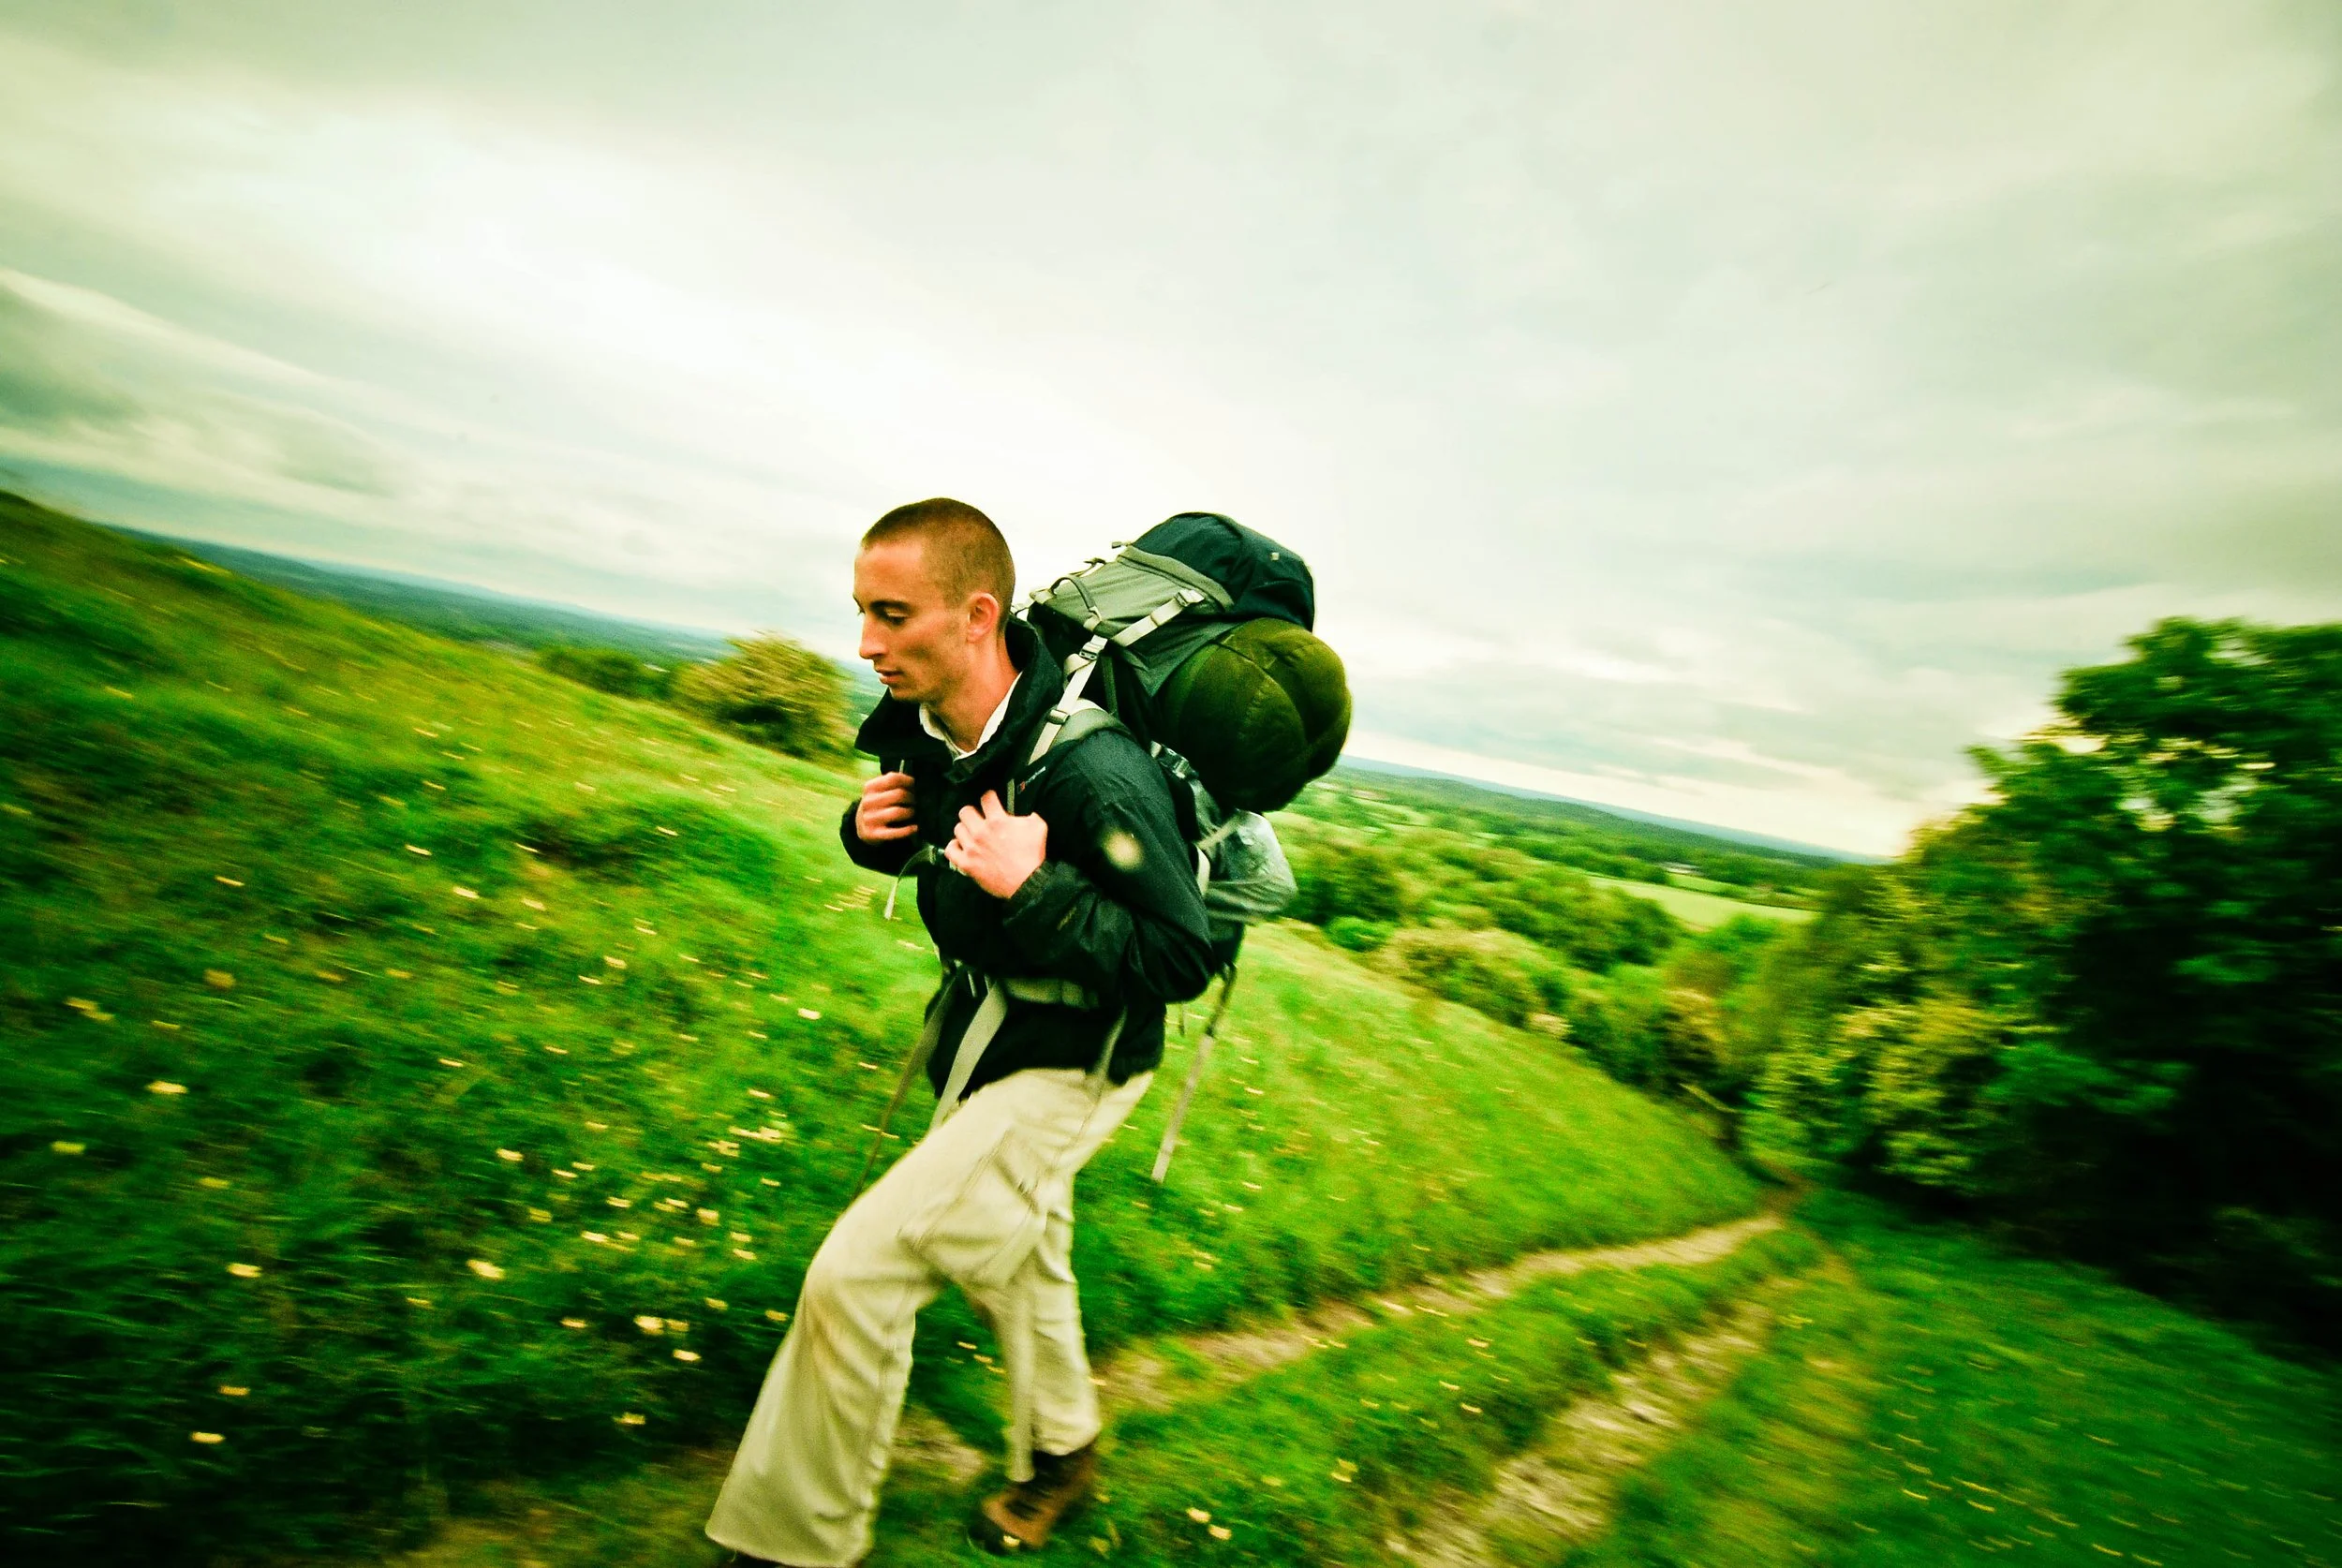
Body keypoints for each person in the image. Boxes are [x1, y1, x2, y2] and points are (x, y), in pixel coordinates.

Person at [705, 498, 1218, 1566]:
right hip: (988, 1038)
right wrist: (867, 836)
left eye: (892, 615)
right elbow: (945, 850)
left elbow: (1180, 957)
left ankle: (793, 1543)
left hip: (1074, 1062)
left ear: (978, 615)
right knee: (1020, 1258)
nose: (865, 643)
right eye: (861, 611)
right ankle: (1064, 1451)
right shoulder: (940, 726)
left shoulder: (1094, 770)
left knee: (859, 1274)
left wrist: (1036, 888)